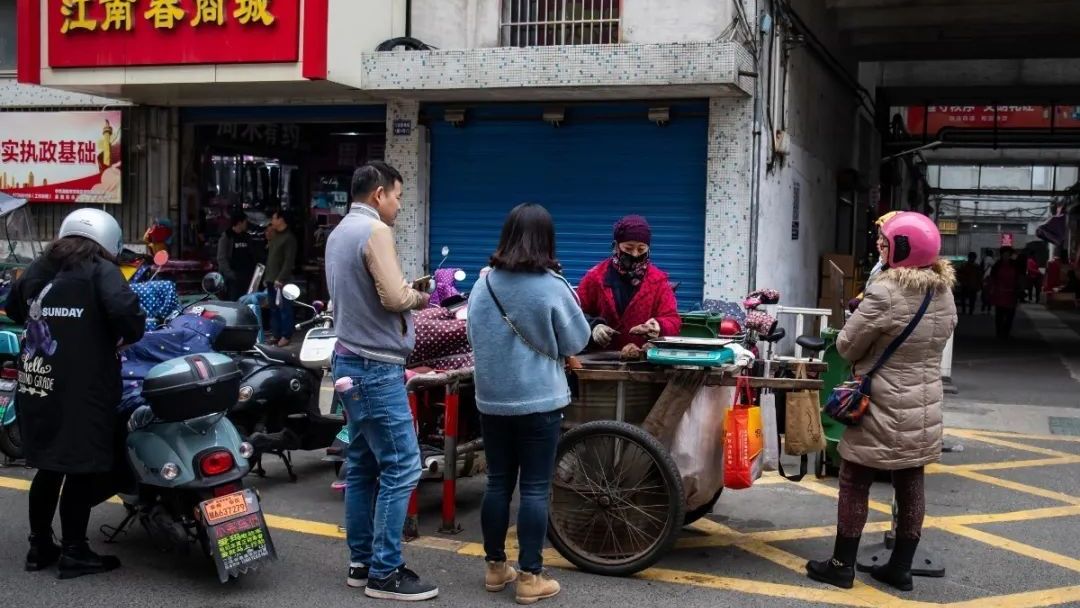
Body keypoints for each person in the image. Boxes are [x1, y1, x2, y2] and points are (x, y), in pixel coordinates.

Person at [806, 211, 957, 593]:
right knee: (911, 480)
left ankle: (841, 565)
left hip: (882, 403)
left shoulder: (886, 292)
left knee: (854, 480)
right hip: (924, 403)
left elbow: (846, 345)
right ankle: (901, 568)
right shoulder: (943, 292)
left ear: (904, 249)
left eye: (886, 243)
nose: (881, 247)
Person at [5, 208, 146, 580]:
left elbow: (14, 307)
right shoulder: (101, 269)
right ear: (108, 239)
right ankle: (74, 551)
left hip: (37, 383)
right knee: (80, 469)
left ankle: (39, 546)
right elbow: (129, 316)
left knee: (49, 466)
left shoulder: (40, 267)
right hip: (84, 389)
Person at [467, 203, 590, 605]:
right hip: (540, 402)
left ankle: (494, 567)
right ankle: (530, 577)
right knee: (535, 489)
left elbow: (472, 336)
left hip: (492, 401)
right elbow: (578, 340)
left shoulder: (483, 284)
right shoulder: (552, 286)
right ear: (547, 241)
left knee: (497, 483)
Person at [325, 161, 437, 601]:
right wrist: (424, 296)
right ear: (378, 194)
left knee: (363, 465)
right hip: (375, 367)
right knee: (402, 465)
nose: (399, 205)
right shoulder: (374, 230)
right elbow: (393, 296)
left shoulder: (339, 232)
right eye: (398, 196)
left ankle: (362, 563)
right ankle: (385, 572)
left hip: (348, 359)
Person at [577, 215, 680, 358]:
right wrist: (593, 327)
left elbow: (673, 320)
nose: (635, 254)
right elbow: (574, 315)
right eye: (628, 248)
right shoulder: (595, 277)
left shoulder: (658, 281)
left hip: (642, 362)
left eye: (641, 249)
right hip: (599, 360)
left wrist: (658, 326)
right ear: (616, 246)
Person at [263, 208, 298, 347]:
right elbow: (270, 258)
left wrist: (281, 278)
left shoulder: (289, 238)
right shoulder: (275, 235)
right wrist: (267, 277)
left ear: (281, 219)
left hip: (282, 280)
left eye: (274, 218)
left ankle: (286, 335)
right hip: (271, 278)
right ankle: (276, 334)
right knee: (273, 308)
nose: (272, 221)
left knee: (284, 309)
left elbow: (288, 261)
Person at [216, 210, 257, 301]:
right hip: (233, 277)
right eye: (245, 222)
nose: (246, 224)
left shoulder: (247, 237)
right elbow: (221, 257)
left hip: (247, 275)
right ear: (239, 223)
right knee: (233, 300)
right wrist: (229, 274)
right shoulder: (227, 236)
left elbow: (252, 254)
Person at [989, 247, 1023, 339]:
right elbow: (992, 278)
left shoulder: (1015, 265)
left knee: (1010, 315)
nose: (1006, 256)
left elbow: (1018, 278)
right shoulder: (997, 265)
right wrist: (992, 289)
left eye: (1008, 254)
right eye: (1004, 254)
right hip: (1000, 293)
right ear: (1001, 255)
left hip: (1011, 294)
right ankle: (999, 332)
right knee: (999, 315)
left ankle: (1006, 332)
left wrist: (1018, 289)